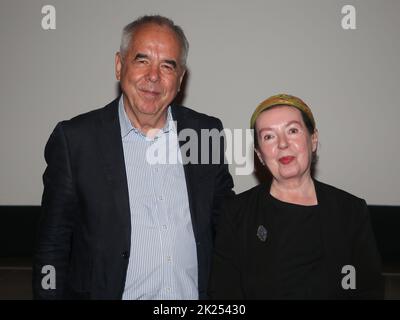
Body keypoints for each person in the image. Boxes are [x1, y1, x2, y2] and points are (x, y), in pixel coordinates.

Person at [33, 15, 233, 300]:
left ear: (180, 79)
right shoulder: (75, 140)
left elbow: (226, 224)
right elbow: (51, 247)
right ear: (119, 65)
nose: (153, 76)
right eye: (142, 60)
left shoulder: (204, 133)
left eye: (167, 65)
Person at [208, 94, 383, 299]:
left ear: (313, 139)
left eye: (292, 130)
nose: (283, 144)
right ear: (259, 155)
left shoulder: (350, 210)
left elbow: (366, 289)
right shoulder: (237, 214)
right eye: (269, 136)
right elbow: (223, 295)